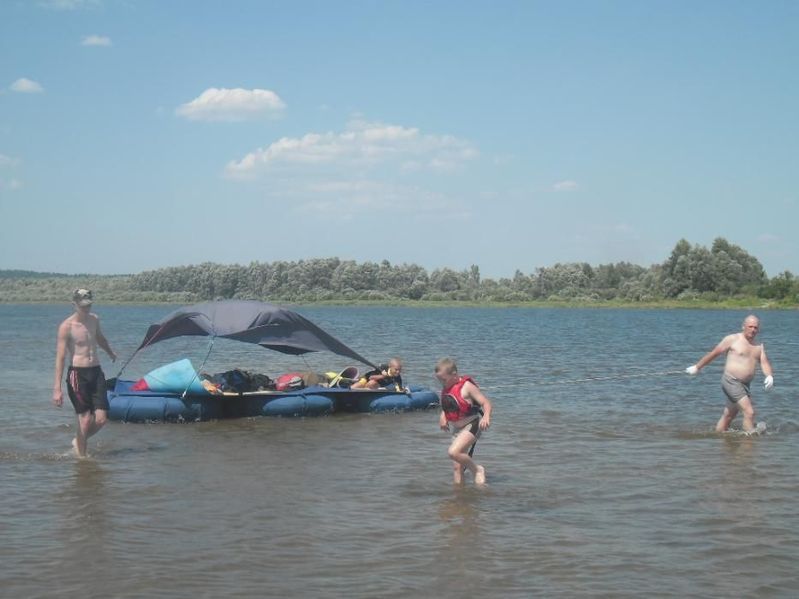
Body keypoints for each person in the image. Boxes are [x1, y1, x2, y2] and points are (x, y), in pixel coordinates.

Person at [52, 289, 117, 457]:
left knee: (102, 419)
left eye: (88, 305)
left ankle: (78, 441)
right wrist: (57, 389)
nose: (86, 309)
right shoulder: (66, 327)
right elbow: (60, 358)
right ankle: (82, 461)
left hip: (96, 372)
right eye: (82, 306)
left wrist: (110, 352)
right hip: (77, 375)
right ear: (74, 304)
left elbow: (100, 338)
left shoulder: (94, 319)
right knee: (85, 419)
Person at [685, 314, 774, 433]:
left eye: (756, 327)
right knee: (749, 412)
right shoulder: (733, 339)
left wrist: (769, 376)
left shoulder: (759, 346)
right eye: (750, 326)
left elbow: (764, 362)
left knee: (729, 414)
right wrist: (697, 367)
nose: (753, 330)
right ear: (743, 326)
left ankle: (718, 436)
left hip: (745, 385)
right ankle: (748, 445)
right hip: (731, 381)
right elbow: (714, 353)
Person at [435, 357, 492, 485]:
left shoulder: (467, 387)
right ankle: (459, 501)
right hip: (457, 429)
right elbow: (448, 405)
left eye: (443, 379)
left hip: (472, 425)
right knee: (457, 468)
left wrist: (486, 416)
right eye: (439, 380)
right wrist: (443, 417)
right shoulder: (447, 387)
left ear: (454, 375)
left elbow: (485, 402)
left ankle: (477, 470)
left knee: (453, 452)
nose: (441, 383)